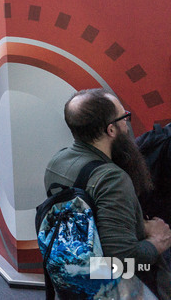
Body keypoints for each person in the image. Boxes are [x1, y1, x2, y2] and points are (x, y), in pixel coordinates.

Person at [44, 89, 171, 297]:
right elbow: (119, 263)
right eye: (123, 118)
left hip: (72, 279)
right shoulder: (113, 180)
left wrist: (138, 225)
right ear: (111, 130)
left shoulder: (57, 162)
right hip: (111, 289)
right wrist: (157, 242)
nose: (126, 124)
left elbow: (90, 222)